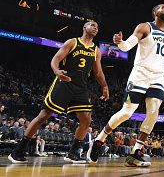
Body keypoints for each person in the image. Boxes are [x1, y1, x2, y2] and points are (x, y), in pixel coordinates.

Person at [87, 4, 164, 167]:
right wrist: (120, 43)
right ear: (155, 12)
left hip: (157, 77)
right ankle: (99, 140)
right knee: (127, 112)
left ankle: (135, 152)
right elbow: (128, 45)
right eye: (163, 8)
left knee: (154, 113)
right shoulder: (145, 27)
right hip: (140, 74)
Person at [9, 21, 109, 164]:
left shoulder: (96, 50)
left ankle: (72, 153)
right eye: (92, 25)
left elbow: (98, 72)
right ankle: (18, 150)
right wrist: (57, 71)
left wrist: (104, 86)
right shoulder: (72, 42)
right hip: (64, 83)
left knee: (86, 120)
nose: (95, 28)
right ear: (84, 27)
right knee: (44, 115)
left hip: (81, 87)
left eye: (97, 27)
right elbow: (55, 59)